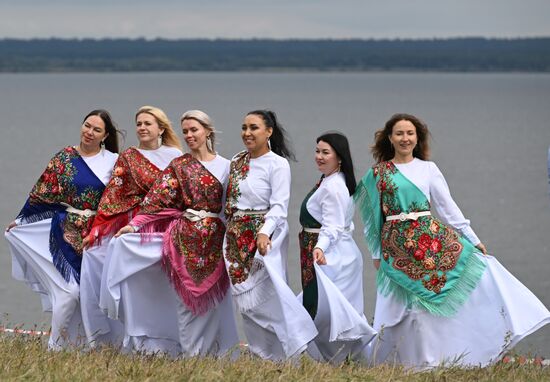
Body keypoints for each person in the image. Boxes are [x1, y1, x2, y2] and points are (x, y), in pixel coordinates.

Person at [354, 113, 550, 368]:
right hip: (395, 249)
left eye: (410, 133)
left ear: (417, 138)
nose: (405, 138)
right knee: (401, 308)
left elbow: (449, 209)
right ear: (390, 138)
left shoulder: (428, 169)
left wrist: (473, 239)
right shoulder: (378, 173)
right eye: (400, 133)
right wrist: (376, 253)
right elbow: (372, 220)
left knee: (426, 309)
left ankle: (434, 360)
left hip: (429, 245)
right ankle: (397, 362)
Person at [109, 110, 239, 357]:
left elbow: (235, 207)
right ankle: (190, 356)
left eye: (194, 130)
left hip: (216, 243)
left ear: (207, 131)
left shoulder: (228, 166)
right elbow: (156, 201)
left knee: (214, 305)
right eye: (186, 131)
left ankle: (211, 357)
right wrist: (134, 225)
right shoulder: (179, 165)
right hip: (184, 240)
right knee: (185, 305)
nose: (189, 135)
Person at [5, 109, 120, 350]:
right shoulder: (64, 158)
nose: (89, 132)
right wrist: (21, 220)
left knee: (91, 297)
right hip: (64, 233)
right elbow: (41, 193)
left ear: (105, 135)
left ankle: (87, 347)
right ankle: (53, 348)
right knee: (69, 293)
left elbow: (121, 199)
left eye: (96, 129)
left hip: (97, 239)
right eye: (87, 125)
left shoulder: (112, 161)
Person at [80, 106, 182, 348]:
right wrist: (96, 229)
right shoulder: (129, 156)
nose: (142, 128)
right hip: (135, 223)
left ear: (161, 128)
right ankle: (119, 337)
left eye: (148, 123)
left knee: (162, 285)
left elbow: (181, 192)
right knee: (97, 257)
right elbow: (114, 194)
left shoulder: (175, 154)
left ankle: (170, 341)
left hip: (166, 224)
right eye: (139, 124)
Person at [224, 109, 318, 360]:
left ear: (269, 131)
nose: (247, 133)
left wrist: (264, 234)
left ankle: (295, 344)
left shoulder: (278, 164)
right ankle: (261, 354)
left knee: (269, 296)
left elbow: (279, 206)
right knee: (245, 301)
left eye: (253, 127)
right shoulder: (236, 161)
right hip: (234, 236)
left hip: (265, 235)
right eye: (244, 127)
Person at [299, 132, 376, 363]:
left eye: (325, 152)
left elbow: (332, 227)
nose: (319, 157)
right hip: (338, 253)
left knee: (329, 312)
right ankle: (342, 360)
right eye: (317, 151)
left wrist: (320, 248)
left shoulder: (333, 187)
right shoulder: (332, 180)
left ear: (339, 157)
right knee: (335, 311)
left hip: (332, 257)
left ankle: (341, 360)